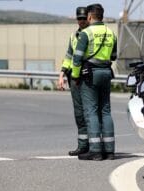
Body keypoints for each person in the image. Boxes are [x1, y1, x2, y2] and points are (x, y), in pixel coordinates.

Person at [71, 3, 117, 161]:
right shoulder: (111, 33)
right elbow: (114, 56)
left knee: (91, 112)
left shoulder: (86, 33)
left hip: (90, 75)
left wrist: (76, 77)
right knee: (105, 111)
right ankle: (109, 151)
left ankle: (96, 150)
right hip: (106, 73)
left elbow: (76, 59)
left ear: (90, 16)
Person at [58, 7, 89, 156]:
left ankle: (94, 145)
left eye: (84, 18)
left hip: (87, 76)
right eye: (79, 19)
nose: (82, 21)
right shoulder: (74, 36)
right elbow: (69, 56)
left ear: (88, 18)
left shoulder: (91, 34)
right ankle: (83, 145)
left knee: (90, 111)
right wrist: (62, 74)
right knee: (79, 112)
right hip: (73, 77)